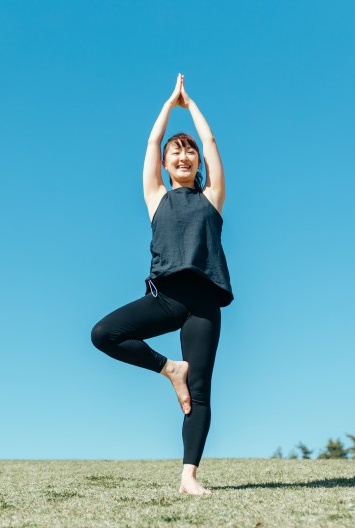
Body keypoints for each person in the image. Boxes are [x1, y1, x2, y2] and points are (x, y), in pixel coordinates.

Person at [90, 73, 233, 496]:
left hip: (204, 304)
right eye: (177, 151)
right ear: (167, 165)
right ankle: (170, 368)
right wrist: (171, 106)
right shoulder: (156, 196)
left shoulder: (212, 198)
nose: (185, 155)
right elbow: (152, 144)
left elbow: (212, 145)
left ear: (197, 164)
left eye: (189, 152)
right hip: (167, 298)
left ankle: (189, 476)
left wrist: (195, 111)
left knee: (201, 392)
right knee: (103, 334)